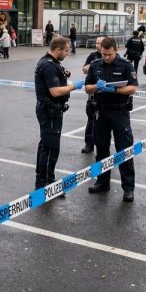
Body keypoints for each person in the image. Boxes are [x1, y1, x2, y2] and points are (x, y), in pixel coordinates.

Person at [84, 37, 138, 202]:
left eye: (109, 54)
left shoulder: (126, 65)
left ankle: (128, 188)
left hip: (119, 112)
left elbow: (132, 88)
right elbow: (87, 88)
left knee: (124, 150)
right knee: (101, 149)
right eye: (104, 54)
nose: (106, 57)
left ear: (116, 50)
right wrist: (96, 87)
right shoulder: (95, 65)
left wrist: (114, 89)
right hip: (100, 112)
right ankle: (102, 182)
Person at [34, 37, 84, 190]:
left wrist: (64, 75)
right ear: (58, 50)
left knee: (46, 145)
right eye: (67, 51)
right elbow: (55, 91)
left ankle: (45, 179)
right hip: (50, 110)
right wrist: (74, 86)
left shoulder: (51, 63)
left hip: (51, 109)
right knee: (50, 148)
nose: (68, 53)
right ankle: (45, 184)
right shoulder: (49, 66)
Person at [81, 36, 104, 154]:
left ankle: (103, 144)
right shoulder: (92, 56)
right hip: (93, 94)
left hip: (107, 95)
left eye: (100, 43)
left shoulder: (111, 55)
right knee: (91, 121)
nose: (97, 45)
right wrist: (92, 65)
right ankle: (88, 144)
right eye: (96, 43)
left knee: (106, 122)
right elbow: (84, 69)